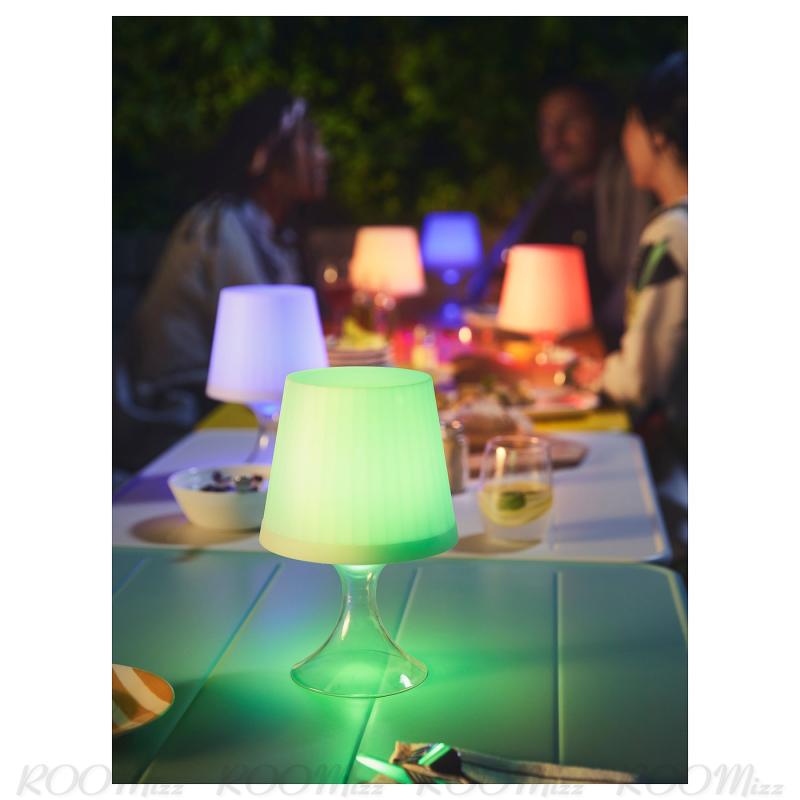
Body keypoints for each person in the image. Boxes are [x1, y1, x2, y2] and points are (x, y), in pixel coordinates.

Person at [129, 88, 329, 398]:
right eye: (310, 144)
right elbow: (262, 344)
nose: (323, 156)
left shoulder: (267, 230)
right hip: (181, 399)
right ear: (270, 162)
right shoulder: (219, 227)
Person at [573, 53, 688, 562]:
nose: (624, 140)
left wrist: (585, 375)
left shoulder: (672, 236)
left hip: (680, 488)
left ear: (657, 134)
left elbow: (641, 379)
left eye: (630, 123)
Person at [467, 79, 653, 349]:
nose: (555, 137)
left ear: (605, 125)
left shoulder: (631, 192)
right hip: (533, 346)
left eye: (571, 122)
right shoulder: (546, 198)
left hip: (602, 350)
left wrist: (600, 339)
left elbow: (634, 278)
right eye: (546, 125)